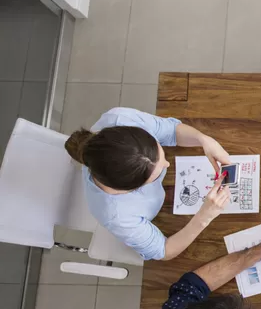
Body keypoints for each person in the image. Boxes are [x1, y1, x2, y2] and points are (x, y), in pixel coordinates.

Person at [65, 107, 232, 261]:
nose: (167, 164)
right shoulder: (116, 215)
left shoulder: (120, 118)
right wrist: (204, 217)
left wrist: (204, 140)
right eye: (157, 173)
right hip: (162, 218)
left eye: (159, 151)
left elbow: (171, 131)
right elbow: (165, 250)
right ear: (132, 189)